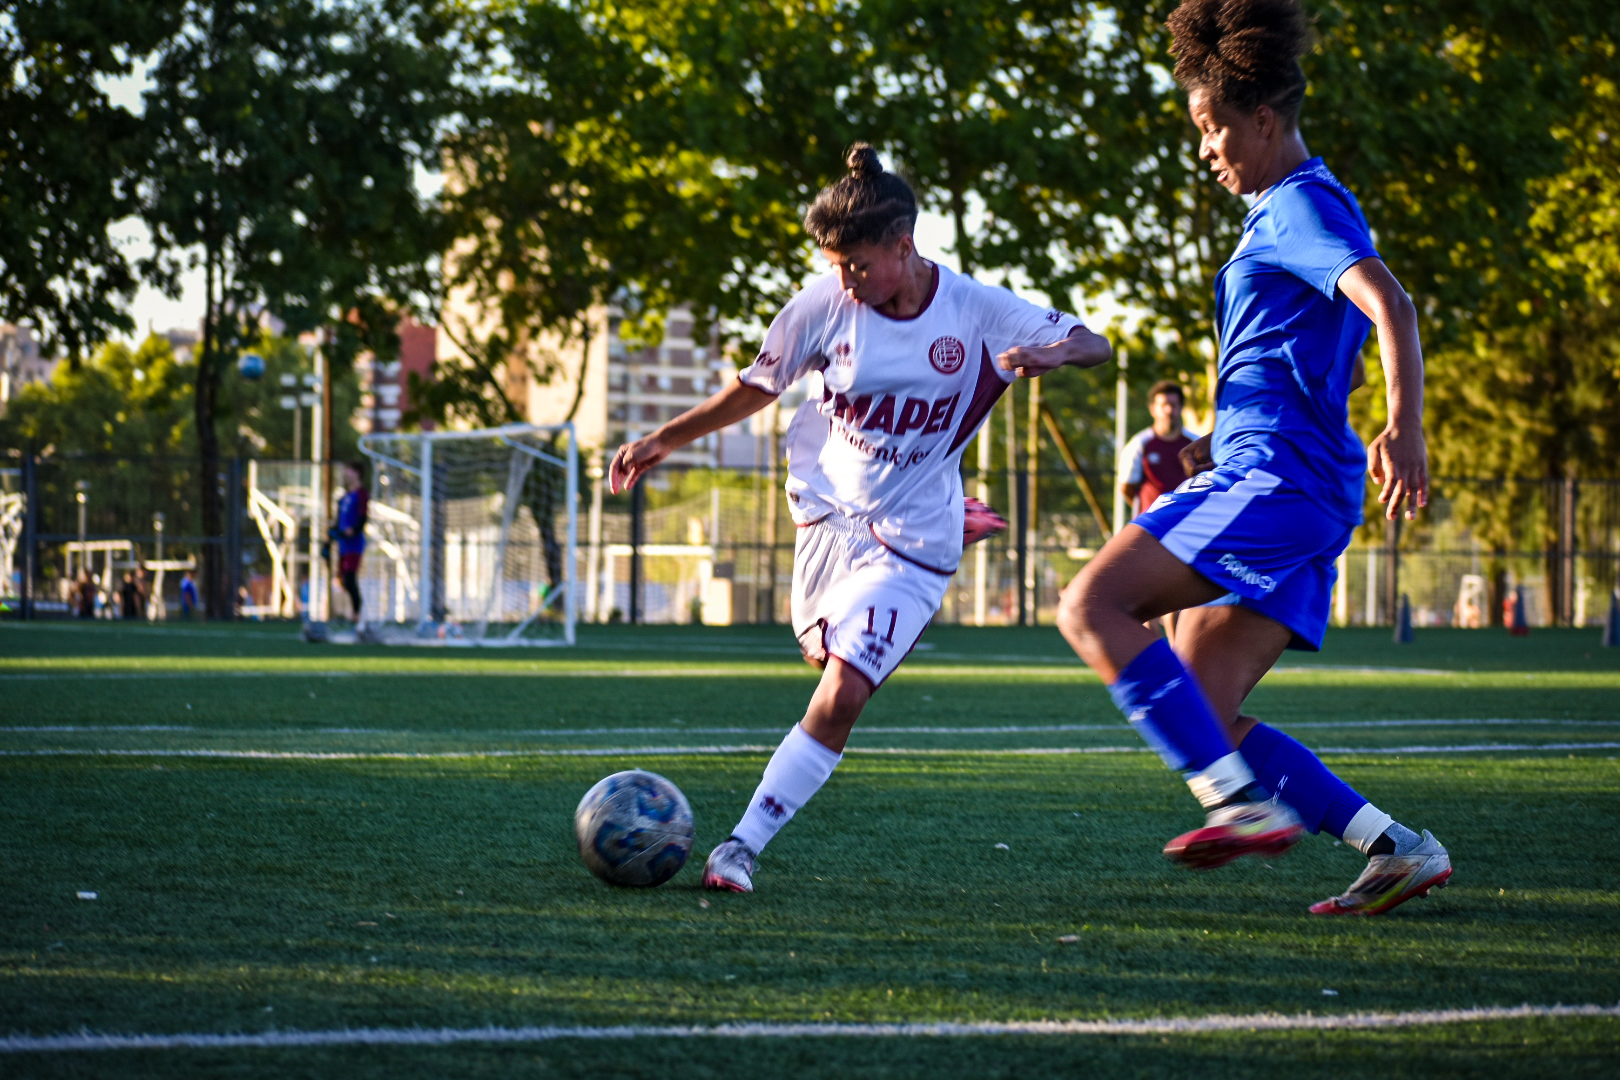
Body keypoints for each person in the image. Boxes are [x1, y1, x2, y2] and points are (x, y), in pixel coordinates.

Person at [610, 143, 1112, 893]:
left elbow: (1095, 342)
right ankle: (947, 521)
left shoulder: (972, 307)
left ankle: (740, 848)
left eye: (857, 265)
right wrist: (661, 439)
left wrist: (1060, 354)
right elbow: (756, 388)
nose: (845, 279)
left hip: (914, 545)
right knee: (823, 656)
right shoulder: (823, 304)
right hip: (825, 518)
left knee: (844, 690)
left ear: (903, 246)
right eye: (836, 265)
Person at [1055, 0, 1450, 916]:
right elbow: (1293, 356)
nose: (1205, 149)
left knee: (1092, 603)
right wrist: (1209, 443)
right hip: (1287, 477)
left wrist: (1409, 424)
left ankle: (1235, 807)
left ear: (1263, 120)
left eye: (1212, 128)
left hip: (1277, 480)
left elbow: (1392, 303)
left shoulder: (1300, 205)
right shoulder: (1295, 208)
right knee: (1201, 708)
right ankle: (1393, 846)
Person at [1121, 380, 1198, 517]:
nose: (1169, 410)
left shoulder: (1194, 443)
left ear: (1181, 408)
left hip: (1187, 522)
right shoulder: (1139, 443)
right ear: (1153, 409)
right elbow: (1127, 487)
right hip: (1151, 527)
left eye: (1173, 405)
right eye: (1164, 405)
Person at [331, 461, 370, 626]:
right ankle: (353, 611)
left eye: (349, 470)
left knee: (350, 578)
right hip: (343, 544)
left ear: (357, 473)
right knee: (341, 580)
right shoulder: (344, 497)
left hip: (354, 543)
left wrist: (354, 530)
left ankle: (357, 614)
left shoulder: (361, 494)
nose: (346, 473)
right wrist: (331, 535)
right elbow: (338, 520)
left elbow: (363, 516)